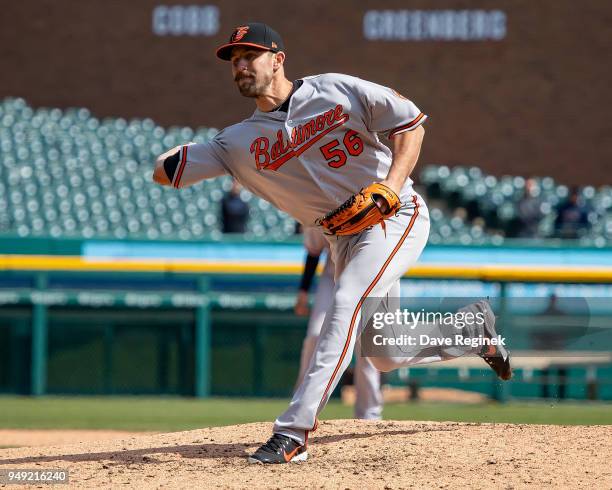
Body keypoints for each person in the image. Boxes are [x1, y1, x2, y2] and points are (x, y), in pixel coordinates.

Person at [152, 22, 512, 464]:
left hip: (393, 216)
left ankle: (294, 430)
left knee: (344, 302)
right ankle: (473, 331)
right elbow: (166, 172)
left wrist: (393, 186)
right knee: (384, 353)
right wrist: (173, 158)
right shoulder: (236, 143)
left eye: (249, 55)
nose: (240, 65)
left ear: (278, 58)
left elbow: (412, 123)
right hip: (341, 238)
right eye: (234, 59)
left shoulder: (335, 89)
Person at [295, 227, 382, 420]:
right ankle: (301, 406)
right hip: (333, 275)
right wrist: (303, 291)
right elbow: (313, 252)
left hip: (373, 277)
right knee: (315, 336)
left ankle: (369, 415)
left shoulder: (376, 203)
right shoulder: (324, 204)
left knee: (367, 347)